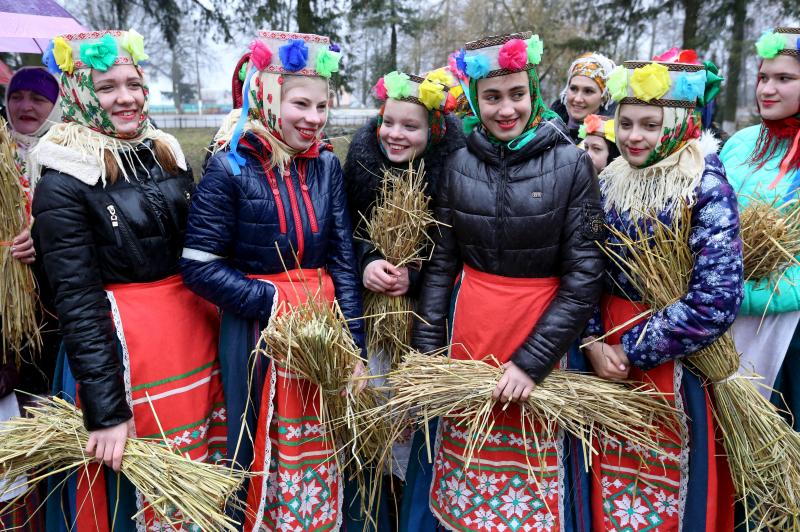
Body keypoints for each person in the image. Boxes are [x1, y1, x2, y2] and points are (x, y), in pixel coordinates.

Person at [30, 29, 225, 531]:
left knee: (201, 473)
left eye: (133, 83)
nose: (126, 98)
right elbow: (76, 300)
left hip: (189, 342)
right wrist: (107, 410)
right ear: (78, 94)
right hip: (126, 357)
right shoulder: (62, 176)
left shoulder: (162, 151)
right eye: (107, 87)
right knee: (133, 499)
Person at [410, 31, 605, 531]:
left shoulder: (571, 163)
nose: (505, 109)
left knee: (533, 479)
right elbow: (441, 264)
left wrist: (531, 362)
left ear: (534, 93)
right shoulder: (457, 163)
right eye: (492, 97)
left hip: (543, 335)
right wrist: (429, 356)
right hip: (470, 333)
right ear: (475, 99)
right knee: (463, 471)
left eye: (516, 94)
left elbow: (584, 275)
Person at [180, 30, 365, 531]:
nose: (313, 117)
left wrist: (354, 347)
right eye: (299, 103)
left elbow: (343, 261)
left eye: (322, 105)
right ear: (266, 99)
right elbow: (197, 265)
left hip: (322, 328)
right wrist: (270, 300)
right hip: (260, 332)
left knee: (321, 439)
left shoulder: (326, 164)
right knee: (260, 441)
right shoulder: (231, 166)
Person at [582, 51, 740, 530]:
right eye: (625, 122)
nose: (633, 136)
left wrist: (631, 349)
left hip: (670, 357)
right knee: (606, 482)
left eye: (649, 125)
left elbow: (716, 298)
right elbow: (584, 265)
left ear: (677, 124)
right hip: (603, 351)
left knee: (663, 486)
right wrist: (592, 341)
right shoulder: (607, 180)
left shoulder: (704, 184)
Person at [342, 67, 465, 526]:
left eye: (409, 126)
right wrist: (367, 261)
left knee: (418, 429)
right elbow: (342, 234)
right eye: (387, 122)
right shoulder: (358, 164)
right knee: (375, 417)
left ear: (432, 130)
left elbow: (457, 251)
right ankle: (379, 510)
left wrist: (414, 279)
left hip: (427, 325)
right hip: (372, 322)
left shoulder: (453, 171)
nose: (394, 134)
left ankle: (418, 510)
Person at [720, 27, 800, 426]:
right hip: (724, 317)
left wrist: (774, 289)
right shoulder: (740, 142)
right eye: (764, 78)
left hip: (786, 326)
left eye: (784, 79)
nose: (767, 89)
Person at [0, 64, 62, 532]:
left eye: (37, 99)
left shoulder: (66, 156)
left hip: (54, 314)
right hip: (5, 320)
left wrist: (44, 239)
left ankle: (53, 511)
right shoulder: (0, 154)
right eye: (17, 96)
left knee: (48, 411)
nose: (25, 107)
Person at [551, 52, 617, 143]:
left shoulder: (613, 141)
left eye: (588, 91)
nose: (578, 99)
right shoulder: (547, 126)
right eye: (573, 88)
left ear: (604, 97)